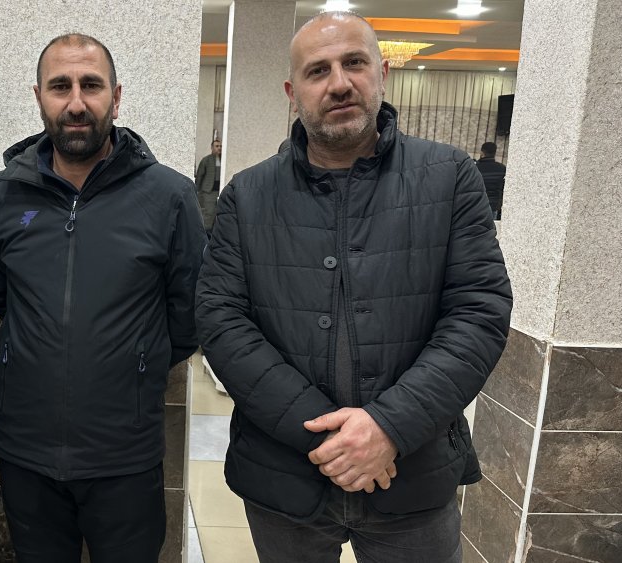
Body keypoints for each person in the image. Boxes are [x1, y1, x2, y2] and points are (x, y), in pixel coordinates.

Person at [195, 12, 512, 563]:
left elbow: (478, 313)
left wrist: (389, 426)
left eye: (354, 63)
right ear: (293, 93)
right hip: (285, 477)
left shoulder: (448, 177)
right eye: (318, 70)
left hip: (412, 476)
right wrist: (329, 440)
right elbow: (221, 322)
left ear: (382, 73)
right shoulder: (247, 196)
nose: (339, 83)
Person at [0, 33, 205, 563]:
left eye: (91, 85)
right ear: (39, 97)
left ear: (116, 97)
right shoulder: (2, 193)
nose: (76, 102)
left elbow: (188, 316)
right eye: (60, 86)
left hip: (125, 454)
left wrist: (135, 365)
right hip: (27, 451)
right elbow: (0, 294)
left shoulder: (169, 196)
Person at [194, 139, 222, 229]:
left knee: (216, 214)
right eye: (217, 146)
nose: (219, 148)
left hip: (219, 191)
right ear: (212, 147)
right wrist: (197, 190)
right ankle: (205, 231)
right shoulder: (206, 160)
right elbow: (200, 176)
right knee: (208, 213)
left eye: (220, 146)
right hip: (208, 191)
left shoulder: (223, 160)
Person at [476, 141, 507, 220]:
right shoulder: (502, 168)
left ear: (482, 153)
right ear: (494, 153)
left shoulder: (475, 168)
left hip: (477, 204)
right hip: (493, 205)